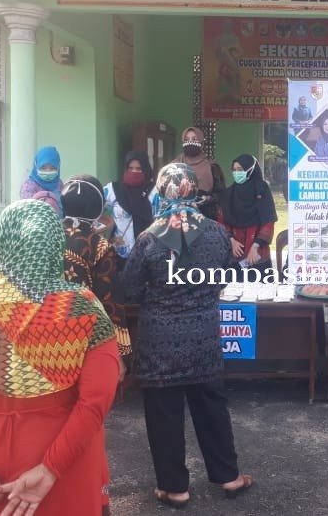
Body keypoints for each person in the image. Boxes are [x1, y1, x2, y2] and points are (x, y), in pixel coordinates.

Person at [0, 199, 121, 516]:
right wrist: (51, 467)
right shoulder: (83, 308)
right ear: (57, 244)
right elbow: (96, 400)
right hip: (70, 459)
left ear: (4, 242)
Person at [122, 164, 255, 509]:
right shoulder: (216, 233)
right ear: (194, 190)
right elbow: (226, 275)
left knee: (164, 414)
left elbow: (129, 290)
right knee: (212, 408)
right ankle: (229, 476)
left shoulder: (149, 238)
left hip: (159, 343)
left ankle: (174, 488)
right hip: (203, 339)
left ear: (161, 192)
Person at [62, 175, 130, 360]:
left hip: (47, 331)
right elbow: (110, 300)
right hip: (85, 336)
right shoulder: (98, 245)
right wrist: (121, 351)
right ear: (97, 205)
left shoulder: (48, 235)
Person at [220, 154, 277, 281]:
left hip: (258, 255)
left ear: (250, 170)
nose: (236, 173)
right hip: (234, 254)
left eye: (240, 170)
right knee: (233, 290)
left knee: (262, 290)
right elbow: (222, 221)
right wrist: (231, 241)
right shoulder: (228, 194)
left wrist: (255, 246)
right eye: (234, 170)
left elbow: (268, 221)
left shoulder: (262, 191)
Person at [103, 151, 157, 259]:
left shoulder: (154, 191)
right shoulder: (114, 189)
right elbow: (94, 208)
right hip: (119, 253)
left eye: (139, 169)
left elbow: (163, 220)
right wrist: (106, 224)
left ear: (145, 170)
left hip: (147, 255)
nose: (134, 172)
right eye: (130, 168)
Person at [171, 127, 226, 221]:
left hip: (205, 215)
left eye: (194, 139)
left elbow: (221, 193)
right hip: (179, 216)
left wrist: (208, 198)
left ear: (201, 142)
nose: (190, 142)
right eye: (187, 139)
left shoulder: (211, 166)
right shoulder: (174, 165)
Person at [20, 146, 64, 211]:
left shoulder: (59, 184)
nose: (48, 172)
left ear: (58, 167)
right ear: (36, 166)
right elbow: (28, 208)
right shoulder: (29, 186)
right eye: (43, 168)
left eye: (52, 168)